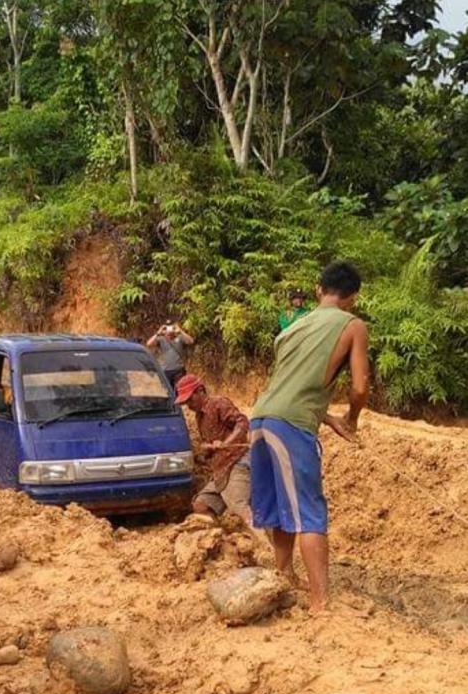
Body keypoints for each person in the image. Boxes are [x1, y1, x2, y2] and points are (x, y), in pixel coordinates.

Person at [250, 260, 370, 614]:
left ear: (319, 290)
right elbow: (360, 387)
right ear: (354, 297)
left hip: (260, 419)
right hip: (292, 425)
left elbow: (291, 385)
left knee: (279, 506)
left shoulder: (293, 327)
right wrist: (351, 417)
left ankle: (284, 573)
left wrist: (327, 418)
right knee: (309, 512)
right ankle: (320, 602)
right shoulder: (353, 326)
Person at [175, 374, 252, 526]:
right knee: (201, 505)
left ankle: (266, 544)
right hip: (220, 471)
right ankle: (218, 539)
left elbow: (242, 422)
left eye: (190, 399)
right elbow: (209, 450)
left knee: (239, 507)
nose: (189, 405)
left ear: (201, 391)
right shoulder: (199, 417)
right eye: (186, 402)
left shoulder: (218, 404)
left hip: (236, 463)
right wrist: (206, 450)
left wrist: (226, 442)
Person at [146, 321, 194, 390]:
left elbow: (191, 341)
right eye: (167, 328)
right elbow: (149, 344)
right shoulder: (161, 339)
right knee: (167, 391)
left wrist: (180, 331)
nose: (169, 330)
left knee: (180, 390)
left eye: (171, 327)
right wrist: (158, 333)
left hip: (178, 370)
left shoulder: (180, 337)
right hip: (165, 371)